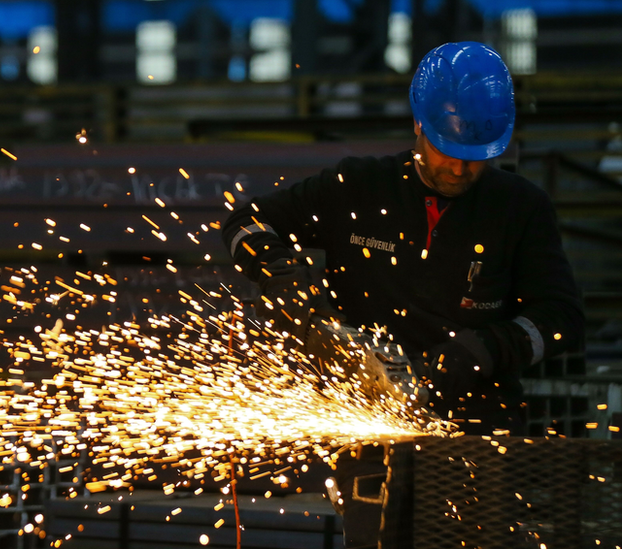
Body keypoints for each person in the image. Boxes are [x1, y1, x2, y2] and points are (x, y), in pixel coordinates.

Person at [221, 42, 584, 548]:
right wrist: (287, 282)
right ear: (419, 125)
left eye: (477, 159)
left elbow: (561, 317)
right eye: (448, 152)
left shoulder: (519, 208)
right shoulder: (358, 187)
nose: (461, 169)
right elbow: (244, 223)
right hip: (372, 433)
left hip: (478, 433)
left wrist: (484, 349)